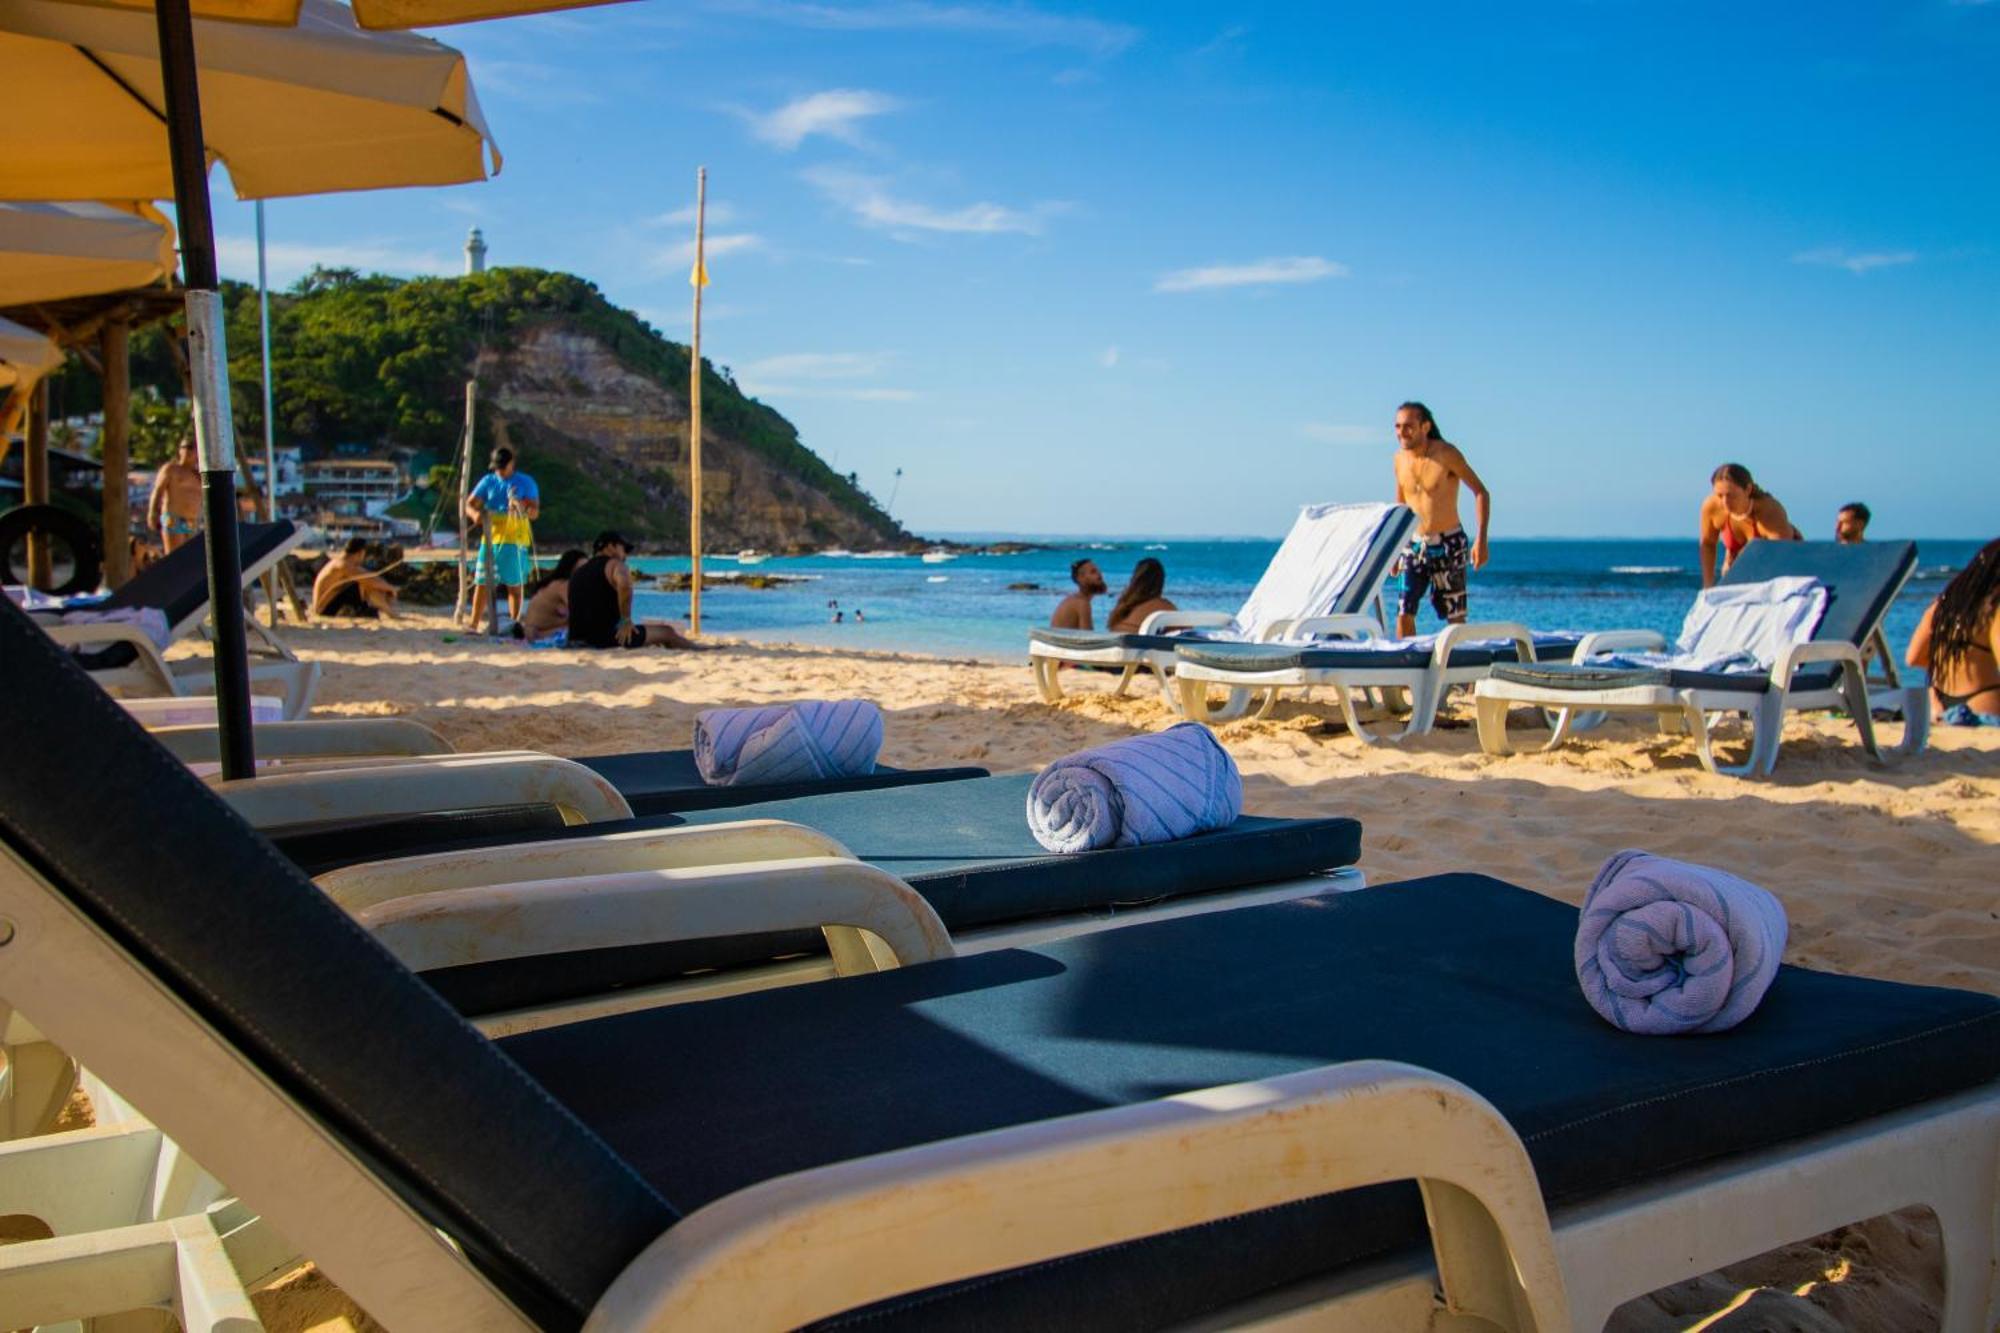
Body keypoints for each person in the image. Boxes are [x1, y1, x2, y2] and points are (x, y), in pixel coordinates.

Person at [1391, 401, 1491, 636]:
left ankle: (1456, 664)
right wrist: (1393, 549)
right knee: (1404, 610)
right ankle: (1406, 664)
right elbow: (1401, 505)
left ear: (1425, 427)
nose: (1401, 432)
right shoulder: (1399, 459)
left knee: (1454, 615)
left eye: (1408, 426)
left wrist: (1481, 540)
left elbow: (1480, 492)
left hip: (1449, 543)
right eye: (1397, 426)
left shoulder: (1446, 454)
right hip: (1414, 544)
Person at [1905, 536, 2000, 725]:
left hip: (1938, 703)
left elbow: (1912, 658)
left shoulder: (1942, 604)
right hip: (1983, 701)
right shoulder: (1994, 608)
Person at [567, 530, 707, 650]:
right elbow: (625, 584)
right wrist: (626, 620)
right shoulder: (615, 564)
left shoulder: (578, 572)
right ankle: (702, 650)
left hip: (575, 639)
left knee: (651, 635)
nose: (626, 556)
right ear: (610, 546)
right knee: (667, 632)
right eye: (624, 549)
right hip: (605, 639)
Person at [463, 446, 541, 626]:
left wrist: (521, 506)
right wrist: (474, 514)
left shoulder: (525, 482)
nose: (499, 471)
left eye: (502, 467)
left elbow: (535, 512)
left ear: (511, 464)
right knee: (482, 582)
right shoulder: (488, 481)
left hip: (515, 538)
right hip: (491, 537)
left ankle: (514, 624)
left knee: (514, 585)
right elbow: (469, 504)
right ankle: (473, 623)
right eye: (496, 467)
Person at [1699, 463, 1801, 587]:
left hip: (1784, 563)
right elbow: (1708, 544)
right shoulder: (1712, 507)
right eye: (1720, 495)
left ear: (1748, 489)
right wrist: (1708, 585)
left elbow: (1781, 555)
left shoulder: (1769, 511)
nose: (1725, 502)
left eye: (1731, 495)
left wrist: (1743, 557)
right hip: (1741, 568)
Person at [311, 538, 398, 619]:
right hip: (324, 610)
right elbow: (371, 581)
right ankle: (391, 613)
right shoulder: (342, 565)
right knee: (365, 583)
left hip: (328, 605)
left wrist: (387, 588)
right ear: (361, 553)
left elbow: (371, 576)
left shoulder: (342, 562)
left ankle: (388, 612)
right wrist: (392, 589)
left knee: (367, 582)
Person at [510, 549, 585, 641]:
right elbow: (580, 612)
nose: (585, 572)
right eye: (581, 569)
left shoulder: (554, 583)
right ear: (571, 569)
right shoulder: (563, 585)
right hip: (538, 634)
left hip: (531, 631)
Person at [146, 437, 202, 553]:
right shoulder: (171, 469)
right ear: (180, 450)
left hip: (192, 522)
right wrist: (152, 512)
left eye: (193, 448)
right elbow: (158, 490)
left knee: (189, 560)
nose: (189, 451)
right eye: (186, 447)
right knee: (175, 557)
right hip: (174, 518)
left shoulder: (199, 475)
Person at [1106, 557, 1177, 632]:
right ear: (1161, 581)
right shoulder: (1164, 607)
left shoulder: (1122, 607)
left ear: (1135, 579)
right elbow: (1184, 635)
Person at [1050, 558, 1106, 629]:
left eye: (1099, 571)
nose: (1099, 574)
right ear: (1080, 578)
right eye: (1093, 572)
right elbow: (1088, 637)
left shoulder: (1073, 600)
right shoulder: (1082, 603)